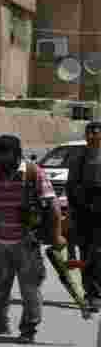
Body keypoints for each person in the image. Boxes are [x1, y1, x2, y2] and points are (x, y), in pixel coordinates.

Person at [0, 134, 64, 343]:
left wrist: (56, 235)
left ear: (15, 153)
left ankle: (28, 329)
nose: (0, 157)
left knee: (30, 289)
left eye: (5, 153)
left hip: (26, 242)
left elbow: (53, 205)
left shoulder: (33, 172)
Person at [66, 121, 101, 310]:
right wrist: (71, 211)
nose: (91, 136)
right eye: (89, 132)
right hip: (83, 212)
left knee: (98, 253)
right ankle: (91, 293)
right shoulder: (78, 158)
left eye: (95, 132)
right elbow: (70, 187)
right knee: (86, 253)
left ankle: (95, 293)